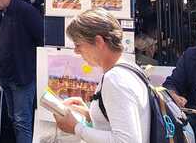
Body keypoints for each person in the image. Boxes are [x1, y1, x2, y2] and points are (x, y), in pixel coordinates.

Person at [54, 9, 150, 143]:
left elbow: (127, 140)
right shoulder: (129, 69)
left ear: (98, 42)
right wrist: (91, 115)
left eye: (78, 45)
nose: (76, 51)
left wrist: (76, 128)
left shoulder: (115, 79)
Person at [0, 0, 43, 143]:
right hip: (8, 75)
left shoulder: (26, 11)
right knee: (14, 118)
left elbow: (42, 39)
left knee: (22, 121)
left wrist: (28, 62)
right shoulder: (5, 12)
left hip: (22, 76)